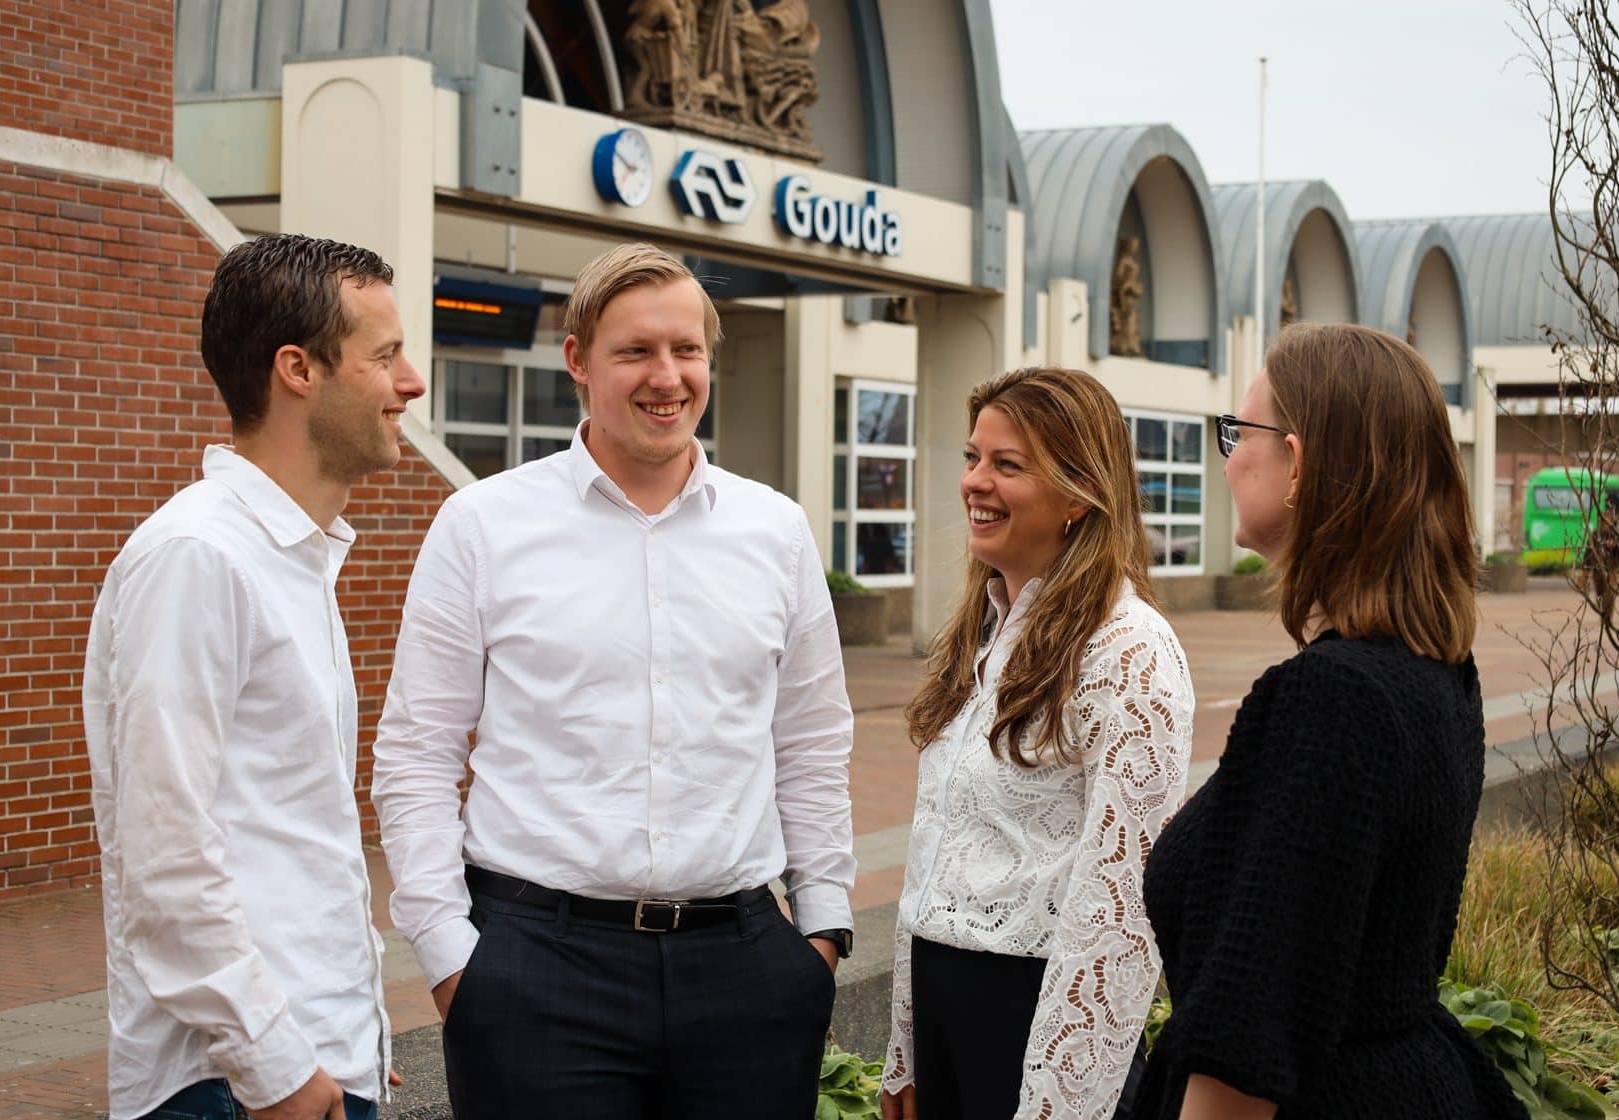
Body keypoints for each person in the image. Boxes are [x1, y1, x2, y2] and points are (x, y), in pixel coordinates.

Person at [371, 241, 856, 1118]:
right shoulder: (482, 525)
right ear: (579, 360)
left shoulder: (776, 532)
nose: (666, 377)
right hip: (536, 972)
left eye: (686, 349)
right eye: (635, 351)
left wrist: (820, 934)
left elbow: (813, 744)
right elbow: (416, 752)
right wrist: (449, 957)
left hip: (744, 968)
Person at [1131, 323, 1525, 1120]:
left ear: (1298, 463)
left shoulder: (1332, 697)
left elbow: (1246, 1046)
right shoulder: (1436, 671)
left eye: (1239, 432)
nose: (1228, 457)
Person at [81, 233, 425, 1120]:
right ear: (297, 370)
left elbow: (285, 834)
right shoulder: (199, 556)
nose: (412, 382)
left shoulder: (290, 555)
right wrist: (277, 1068)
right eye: (385, 356)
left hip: (303, 1061)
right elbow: (164, 853)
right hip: (234, 1089)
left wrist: (345, 1033)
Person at [880, 367, 1194, 1120]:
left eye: (1008, 464)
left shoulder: (1129, 650)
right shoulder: (981, 632)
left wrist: (1060, 1101)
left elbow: (1121, 907)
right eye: (972, 457)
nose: (974, 481)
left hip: (1037, 1024)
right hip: (945, 1011)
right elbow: (937, 849)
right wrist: (907, 1042)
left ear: (1080, 495)